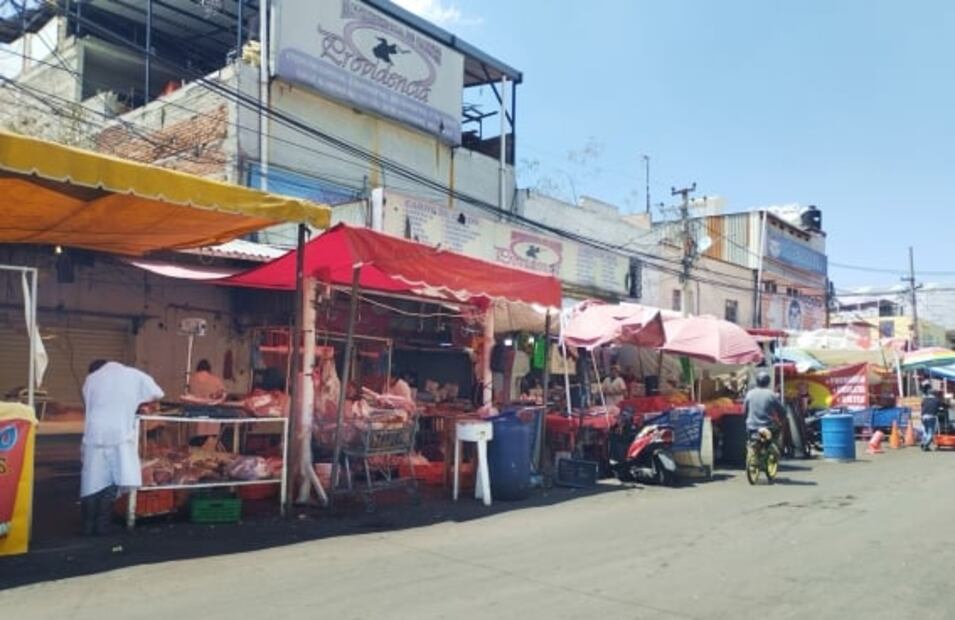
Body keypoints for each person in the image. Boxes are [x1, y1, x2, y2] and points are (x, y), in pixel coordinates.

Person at [81, 360, 164, 535]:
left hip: (94, 434)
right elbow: (157, 392)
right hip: (119, 434)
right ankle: (102, 526)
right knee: (112, 480)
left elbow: (90, 403)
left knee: (92, 482)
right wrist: (138, 401)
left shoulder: (91, 380)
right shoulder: (133, 375)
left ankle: (88, 527)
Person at [744, 371, 785, 436]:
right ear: (768, 382)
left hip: (752, 428)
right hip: (767, 427)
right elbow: (782, 411)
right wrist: (780, 422)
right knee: (776, 437)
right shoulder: (771, 394)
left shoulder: (749, 393)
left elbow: (745, 411)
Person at [920, 381, 941, 451]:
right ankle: (925, 444)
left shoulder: (925, 399)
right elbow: (940, 407)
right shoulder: (936, 400)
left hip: (923, 416)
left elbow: (922, 406)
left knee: (925, 431)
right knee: (930, 432)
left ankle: (924, 444)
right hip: (931, 416)